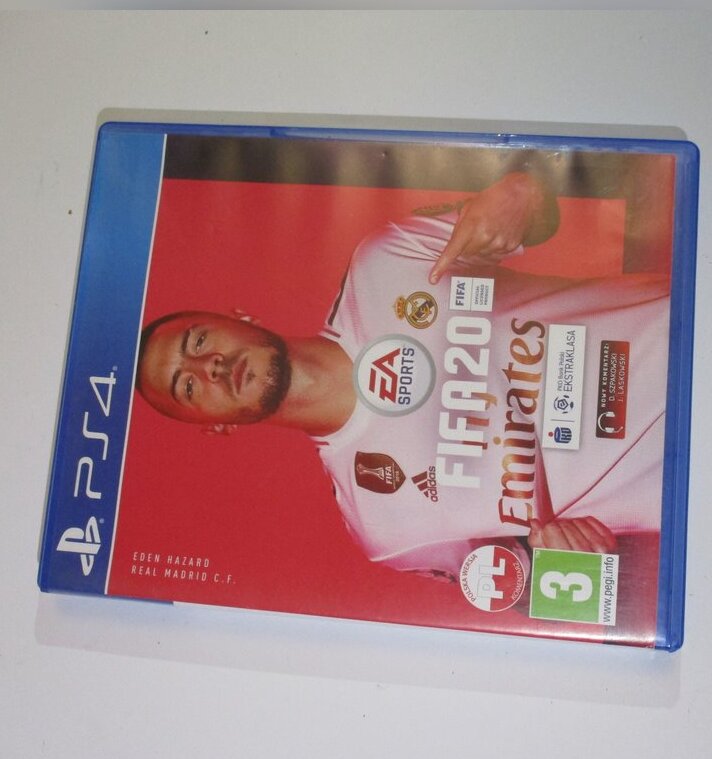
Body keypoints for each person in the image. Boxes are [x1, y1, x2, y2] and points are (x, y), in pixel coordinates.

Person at [136, 171, 670, 583]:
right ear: (217, 426)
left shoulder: (383, 262)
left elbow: (539, 211)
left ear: (238, 317)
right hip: (685, 481)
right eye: (188, 386)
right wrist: (572, 564)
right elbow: (532, 589)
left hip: (688, 329)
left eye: (198, 342)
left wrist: (520, 191)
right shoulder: (384, 530)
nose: (209, 367)